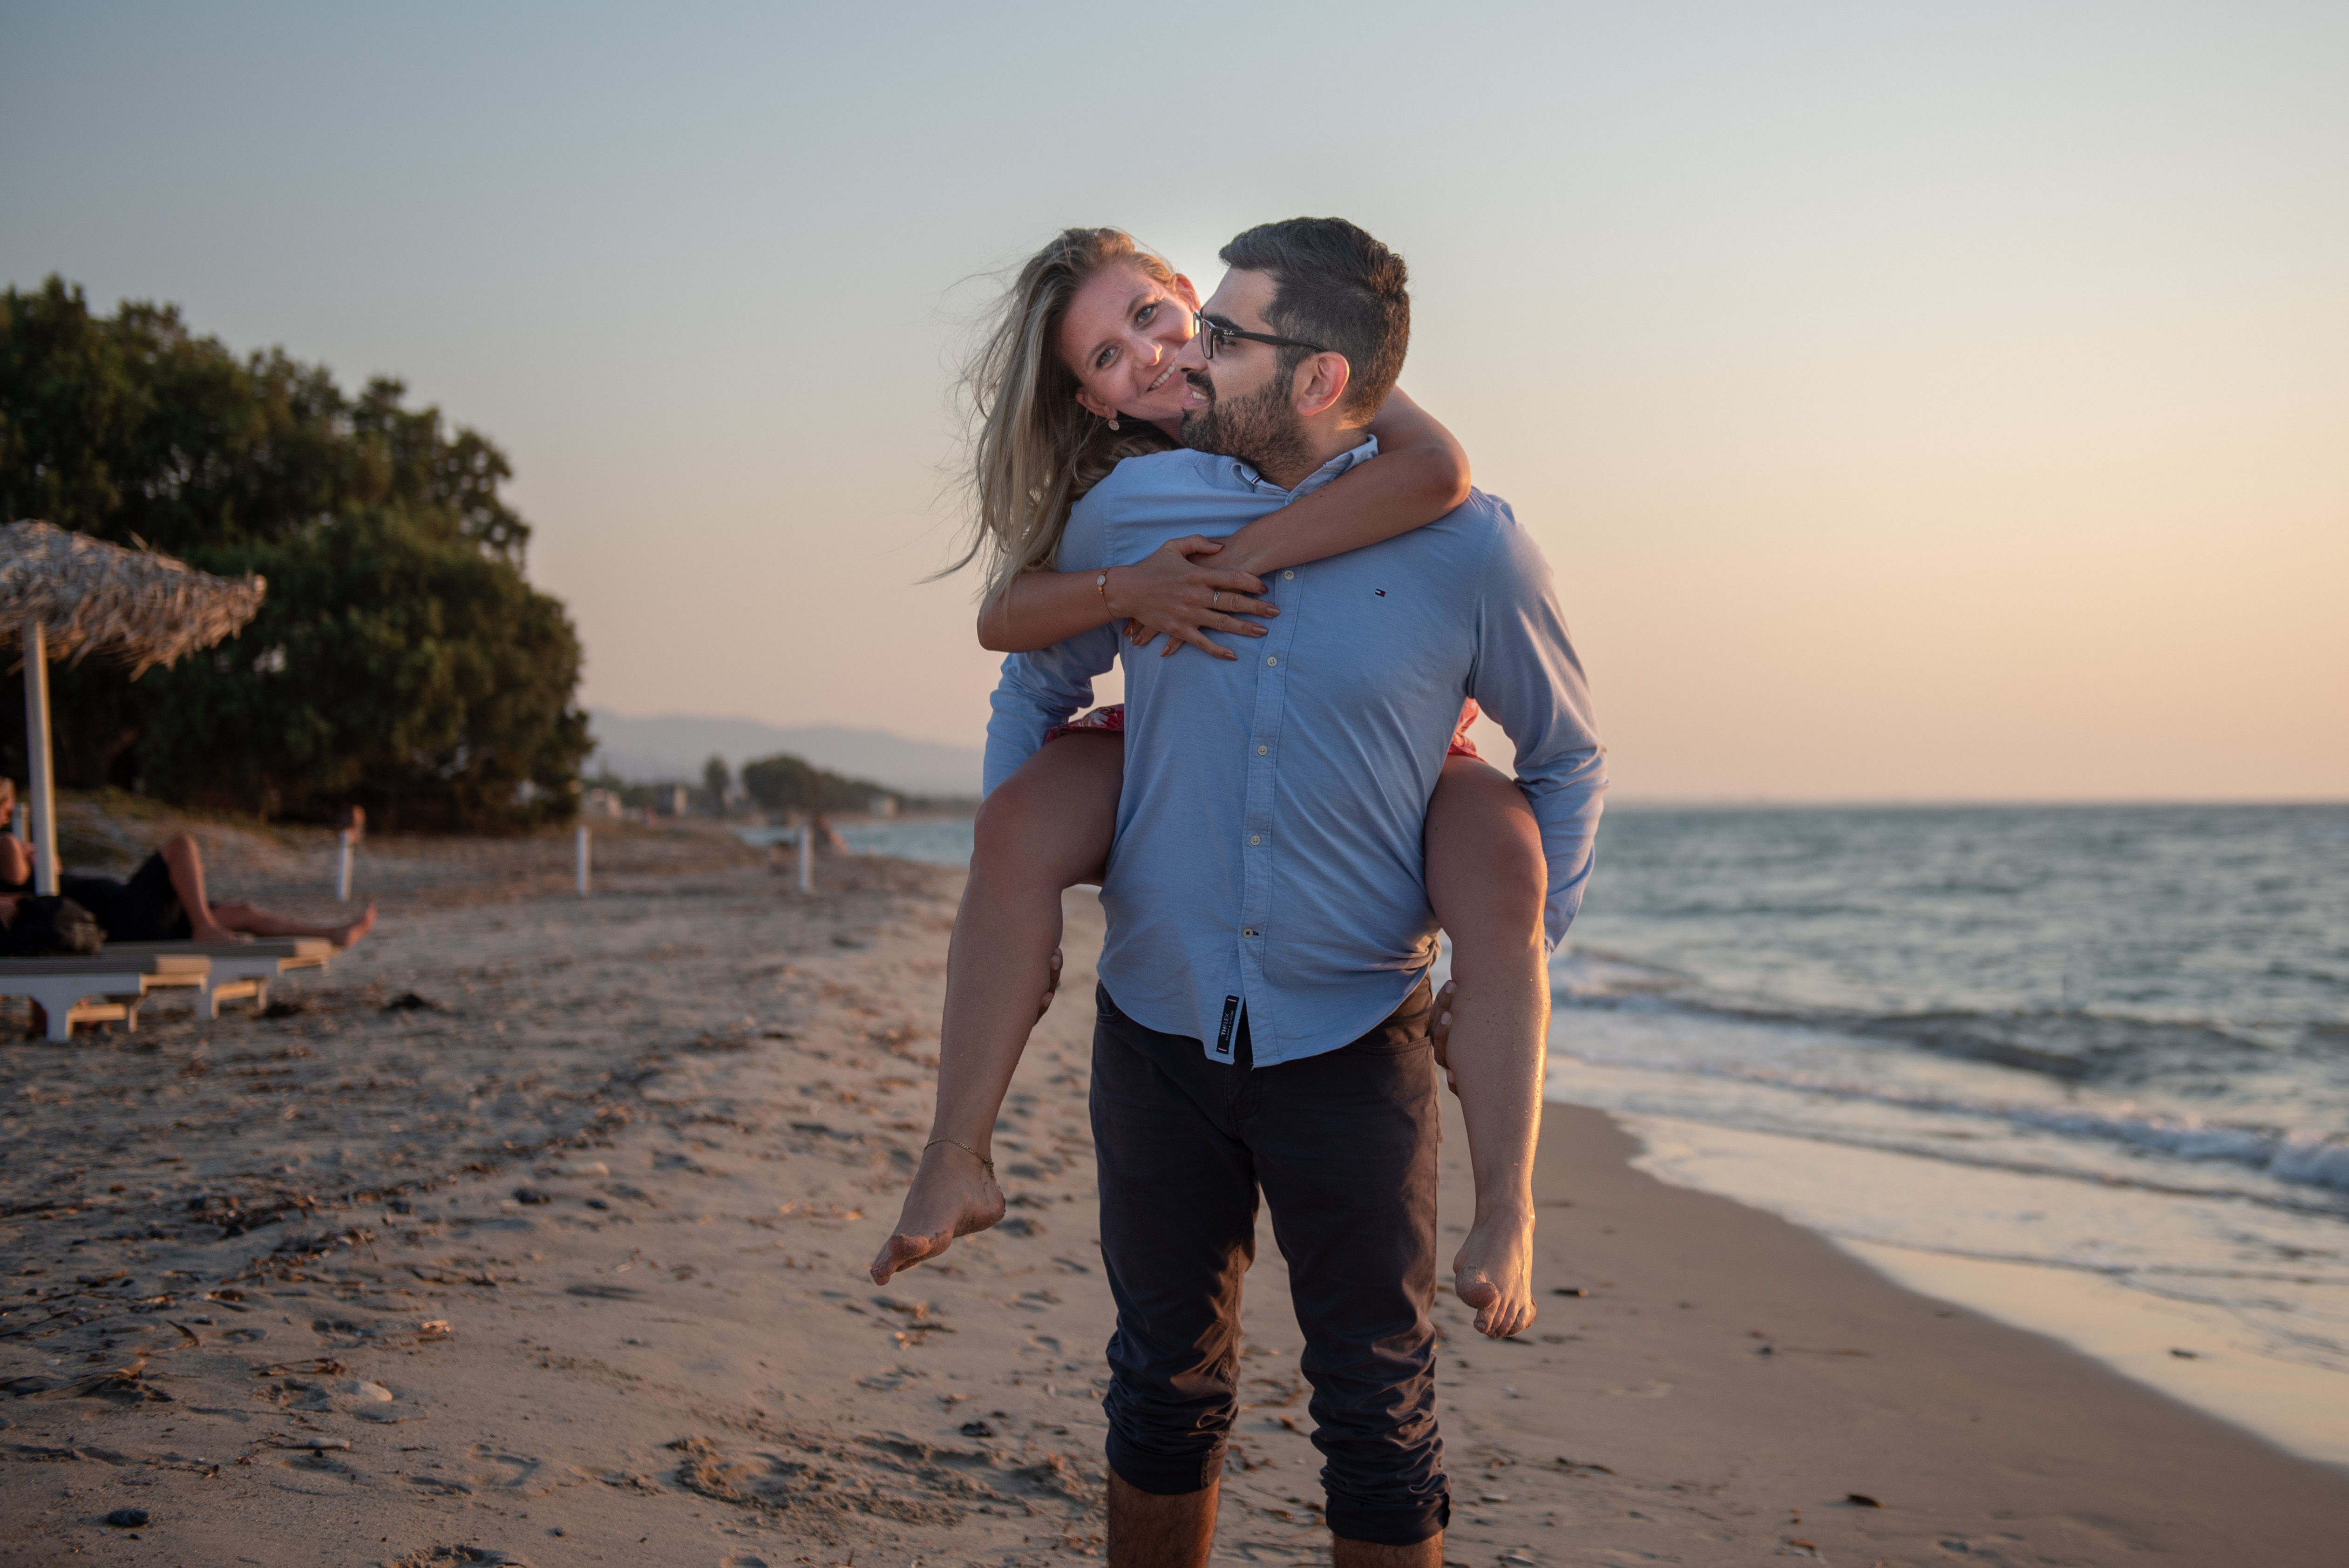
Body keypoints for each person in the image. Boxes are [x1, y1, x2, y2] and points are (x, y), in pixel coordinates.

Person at [921, 219, 1605, 1567]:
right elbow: (1023, 658)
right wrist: (1020, 866)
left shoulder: (1466, 543)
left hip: (1350, 1033)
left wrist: (1518, 961)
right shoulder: (1131, 515)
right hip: (1159, 1020)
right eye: (1112, 355)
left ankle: (1508, 1208)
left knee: (1377, 1407)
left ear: (1304, 371)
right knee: (1158, 1387)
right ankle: (955, 1152)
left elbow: (1565, 756)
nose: (1172, 356)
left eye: (1194, 328)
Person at [43, 833, 375, 949]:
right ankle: (204, 926)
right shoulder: (29, 878)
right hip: (123, 920)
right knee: (181, 845)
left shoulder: (51, 879)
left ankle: (333, 933)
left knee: (244, 913)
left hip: (140, 916)